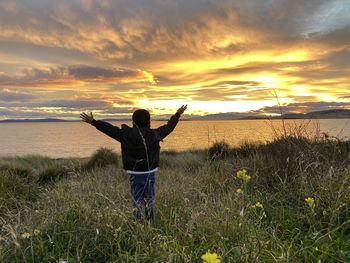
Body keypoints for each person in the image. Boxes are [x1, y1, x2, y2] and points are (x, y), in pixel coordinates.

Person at [80, 105, 187, 221]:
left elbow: (110, 129)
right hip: (150, 172)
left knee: (137, 199)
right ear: (149, 122)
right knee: (149, 198)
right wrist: (177, 114)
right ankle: (150, 222)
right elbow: (169, 127)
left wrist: (94, 122)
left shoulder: (125, 134)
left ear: (133, 122)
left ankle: (138, 222)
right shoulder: (154, 134)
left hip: (134, 173)